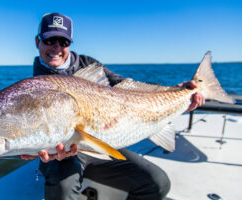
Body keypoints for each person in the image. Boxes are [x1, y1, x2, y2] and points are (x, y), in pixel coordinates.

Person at [21, 12, 205, 200]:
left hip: (102, 142)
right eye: (50, 40)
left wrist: (177, 92)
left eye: (63, 41)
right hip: (62, 153)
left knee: (158, 183)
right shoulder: (34, 87)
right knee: (61, 191)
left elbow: (123, 86)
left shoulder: (88, 64)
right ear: (38, 42)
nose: (56, 47)